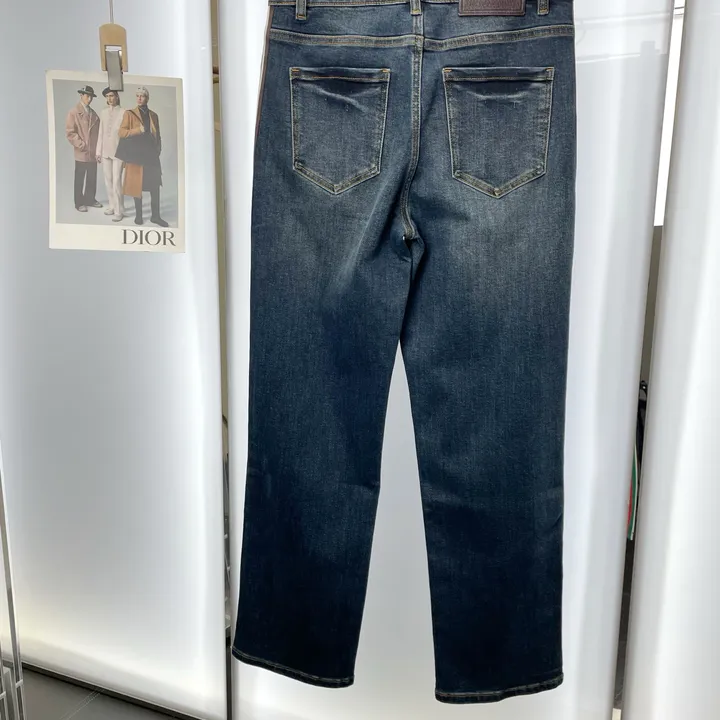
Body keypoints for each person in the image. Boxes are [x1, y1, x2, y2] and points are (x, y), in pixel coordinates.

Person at [117, 87, 167, 227]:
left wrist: (158, 150)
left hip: (151, 156)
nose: (139, 98)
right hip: (136, 155)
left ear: (147, 98)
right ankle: (138, 216)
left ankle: (155, 216)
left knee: (154, 186)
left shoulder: (154, 115)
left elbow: (158, 135)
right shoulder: (129, 114)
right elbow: (121, 132)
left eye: (142, 96)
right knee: (136, 185)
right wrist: (137, 130)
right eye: (137, 95)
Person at [65, 85, 102, 213]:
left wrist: (98, 150)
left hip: (93, 152)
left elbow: (99, 133)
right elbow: (70, 133)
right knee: (80, 178)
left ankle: (90, 199)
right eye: (87, 96)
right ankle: (79, 202)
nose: (89, 99)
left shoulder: (94, 114)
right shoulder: (74, 112)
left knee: (92, 177)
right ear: (81, 95)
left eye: (91, 96)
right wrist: (81, 145)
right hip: (81, 152)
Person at [96, 88, 125, 222]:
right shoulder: (103, 112)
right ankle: (112, 206)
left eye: (112, 96)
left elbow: (125, 135)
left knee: (117, 181)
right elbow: (101, 133)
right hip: (105, 151)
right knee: (108, 181)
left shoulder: (124, 112)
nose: (109, 99)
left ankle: (119, 211)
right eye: (107, 96)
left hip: (119, 152)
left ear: (117, 96)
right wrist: (98, 151)